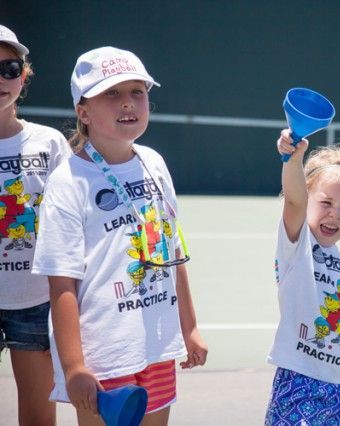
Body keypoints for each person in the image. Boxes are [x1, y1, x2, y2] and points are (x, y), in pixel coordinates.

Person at [31, 46, 207, 425]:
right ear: (83, 111)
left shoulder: (155, 164)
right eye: (111, 93)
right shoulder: (68, 181)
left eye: (137, 92)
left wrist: (189, 327)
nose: (128, 103)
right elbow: (61, 282)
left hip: (157, 344)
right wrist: (75, 366)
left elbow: (173, 251)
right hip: (103, 354)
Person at [265, 129, 340, 425]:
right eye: (326, 203)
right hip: (304, 380)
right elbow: (294, 202)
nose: (335, 215)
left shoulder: (337, 258)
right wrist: (293, 159)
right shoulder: (297, 244)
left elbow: (329, 303)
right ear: (307, 194)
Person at [0, 24, 72, 425]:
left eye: (8, 69)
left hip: (35, 300)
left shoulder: (49, 143)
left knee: (38, 414)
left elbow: (68, 225)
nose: (0, 80)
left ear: (24, 77)